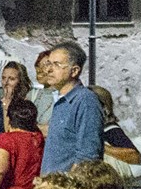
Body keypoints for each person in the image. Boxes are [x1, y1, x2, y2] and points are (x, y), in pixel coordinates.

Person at [39, 44, 99, 172]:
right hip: (49, 186)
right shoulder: (61, 101)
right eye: (49, 64)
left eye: (56, 64)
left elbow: (87, 157)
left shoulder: (85, 101)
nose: (48, 70)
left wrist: (68, 187)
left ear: (74, 71)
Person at [0, 61, 30, 159]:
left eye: (11, 79)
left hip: (9, 155)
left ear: (20, 81)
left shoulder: (24, 106)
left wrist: (7, 102)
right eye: (3, 78)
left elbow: (10, 133)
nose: (6, 83)